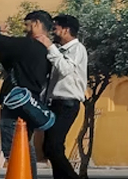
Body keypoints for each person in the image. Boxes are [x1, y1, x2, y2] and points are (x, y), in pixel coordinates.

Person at [0, 10, 54, 163]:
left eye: (27, 24)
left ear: (36, 23)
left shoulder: (26, 45)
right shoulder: (47, 51)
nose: (24, 28)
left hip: (14, 104)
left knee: (14, 149)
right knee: (25, 147)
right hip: (31, 103)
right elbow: (9, 63)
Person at [42, 14, 87, 179]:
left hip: (67, 104)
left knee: (53, 147)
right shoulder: (58, 50)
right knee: (51, 148)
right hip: (54, 103)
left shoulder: (77, 49)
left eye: (55, 28)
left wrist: (49, 47)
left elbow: (66, 69)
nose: (53, 31)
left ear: (66, 30)